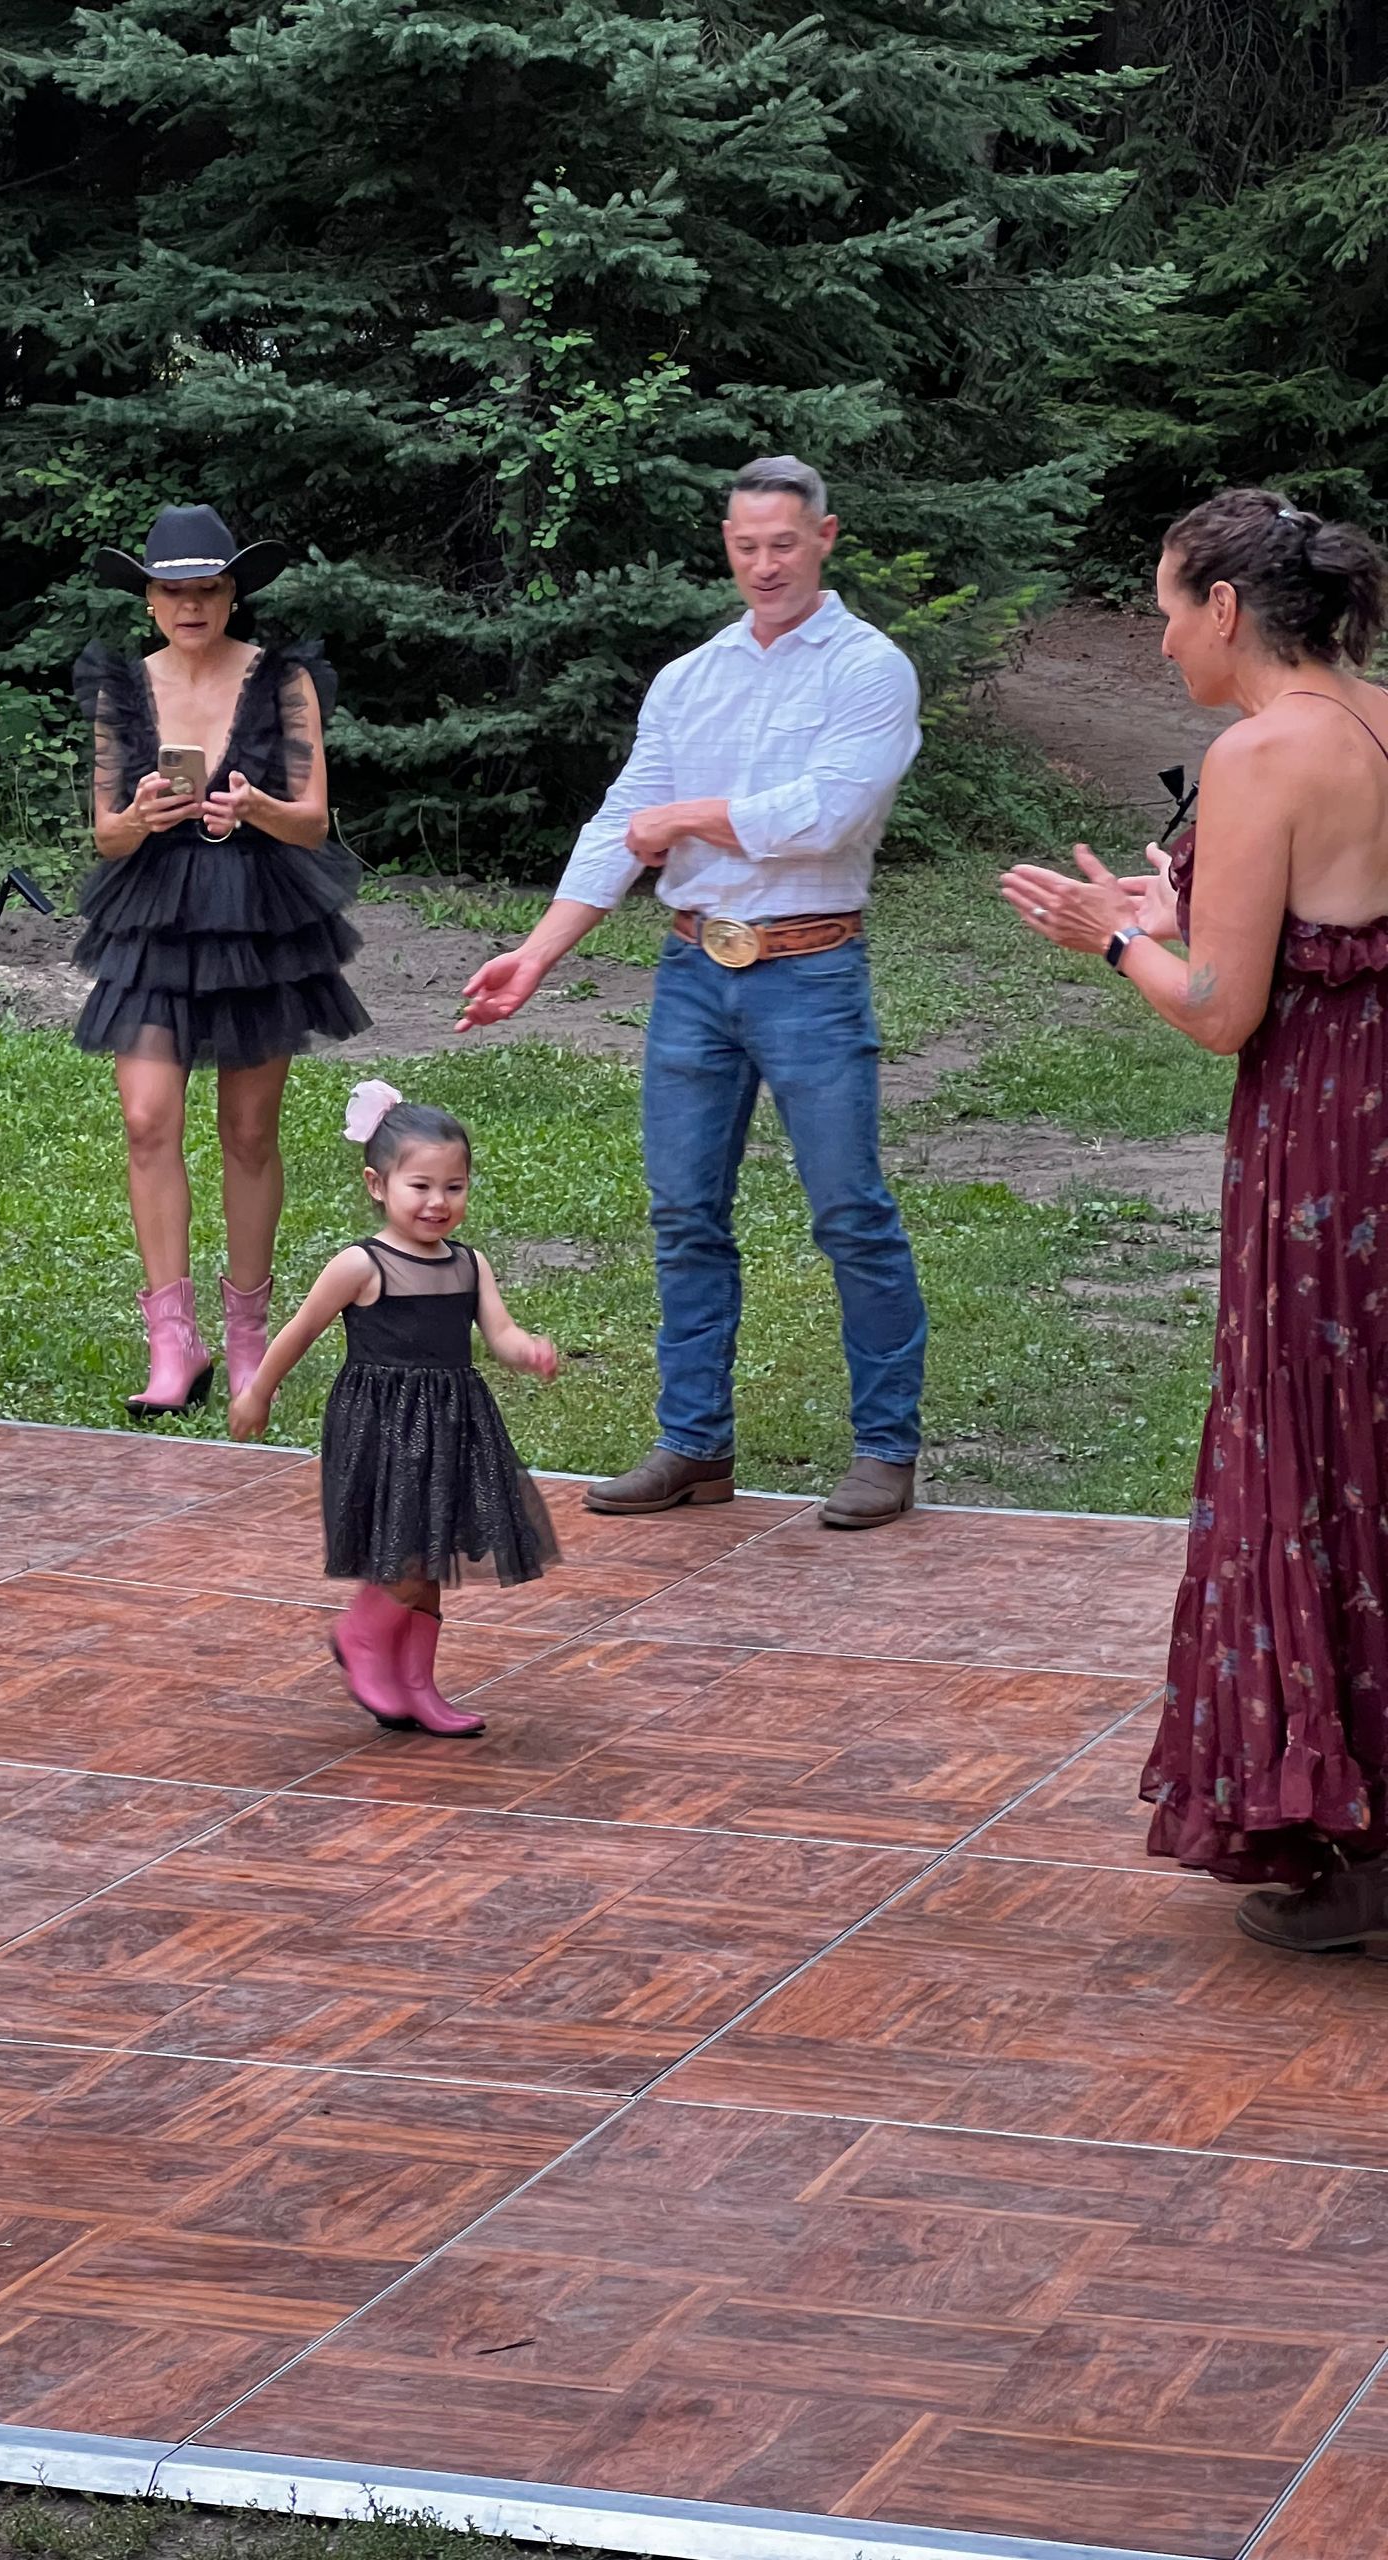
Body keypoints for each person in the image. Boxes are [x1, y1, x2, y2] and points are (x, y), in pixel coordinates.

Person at [1002, 486, 1388, 1952]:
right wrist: (1175, 912)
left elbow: (1225, 1015)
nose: (1160, 637)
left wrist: (1113, 937)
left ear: (1227, 609)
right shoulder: (1376, 716)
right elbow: (1334, 930)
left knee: (1306, 1449)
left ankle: (1341, 1836)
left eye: (1168, 606)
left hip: (1316, 1152)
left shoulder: (1257, 751)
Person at [459, 455, 927, 1528]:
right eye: (745, 545)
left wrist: (684, 820)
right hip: (692, 972)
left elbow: (829, 814)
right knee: (682, 1214)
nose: (763, 565)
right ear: (726, 543)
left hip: (811, 968)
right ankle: (694, 1445)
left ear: (825, 538)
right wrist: (536, 955)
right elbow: (622, 815)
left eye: (783, 543)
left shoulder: (869, 669)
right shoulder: (691, 677)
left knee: (850, 1211)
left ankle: (886, 1449)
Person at [73, 503, 370, 1418]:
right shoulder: (123, 686)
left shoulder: (283, 680)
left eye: (207, 589)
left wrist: (253, 808)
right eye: (173, 591)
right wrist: (143, 819)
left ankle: (250, 1336)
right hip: (155, 916)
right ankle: (174, 1340)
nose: (190, 605)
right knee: (146, 1117)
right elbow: (106, 835)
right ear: (152, 601)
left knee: (248, 1129)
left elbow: (314, 819)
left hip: (257, 917)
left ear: (232, 593)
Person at [228, 1080, 559, 1735]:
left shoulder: (469, 1265)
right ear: (378, 1185)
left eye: (454, 1187)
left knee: (430, 1562)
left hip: (452, 1423)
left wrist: (527, 1351)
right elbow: (299, 1330)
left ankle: (418, 1686)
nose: (439, 1202)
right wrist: (258, 1390)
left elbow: (498, 1333)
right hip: (382, 1426)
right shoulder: (361, 1264)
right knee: (405, 1562)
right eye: (421, 1186)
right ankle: (360, 1637)